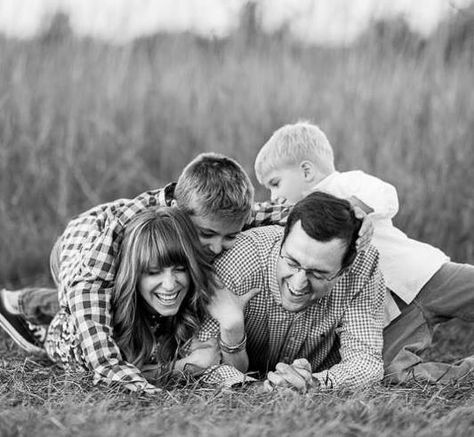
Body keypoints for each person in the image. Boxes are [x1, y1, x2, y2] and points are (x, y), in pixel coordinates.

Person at [0, 153, 280, 383]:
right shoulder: (125, 229)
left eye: (229, 237)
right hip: (77, 251)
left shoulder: (217, 214)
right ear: (177, 210)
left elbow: (273, 212)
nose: (218, 247)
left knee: (154, 284)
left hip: (103, 267)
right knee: (90, 308)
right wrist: (114, 370)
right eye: (207, 235)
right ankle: (28, 305)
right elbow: (90, 289)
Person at [253, 121, 474, 385]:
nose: (274, 195)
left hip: (422, 275)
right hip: (393, 313)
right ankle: (466, 374)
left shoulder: (343, 185)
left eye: (275, 183)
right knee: (393, 373)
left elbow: (385, 194)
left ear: (306, 171)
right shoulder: (298, 223)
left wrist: (353, 207)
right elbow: (257, 214)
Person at [197, 191, 386, 390]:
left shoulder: (363, 266)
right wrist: (256, 389)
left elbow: (366, 362)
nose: (298, 284)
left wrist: (311, 383)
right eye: (292, 262)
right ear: (283, 237)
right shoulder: (238, 259)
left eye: (318, 274)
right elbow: (201, 356)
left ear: (343, 270)